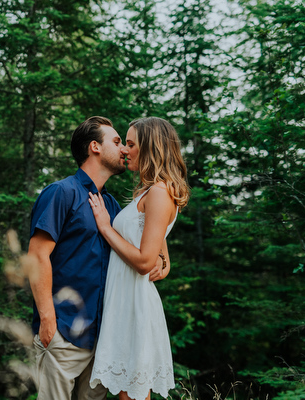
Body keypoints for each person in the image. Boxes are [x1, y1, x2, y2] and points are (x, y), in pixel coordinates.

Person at [27, 116, 168, 400]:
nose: (124, 150)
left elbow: (147, 246)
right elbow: (37, 255)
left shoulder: (113, 205)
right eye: (117, 142)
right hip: (63, 333)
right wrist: (47, 320)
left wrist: (163, 262)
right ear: (94, 147)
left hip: (104, 338)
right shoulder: (61, 192)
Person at [88, 117, 190, 400]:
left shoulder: (159, 192)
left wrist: (106, 227)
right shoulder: (149, 191)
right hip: (123, 299)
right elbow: (156, 247)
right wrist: (165, 260)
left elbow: (145, 261)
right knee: (126, 393)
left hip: (134, 302)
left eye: (131, 144)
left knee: (131, 394)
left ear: (150, 147)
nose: (125, 150)